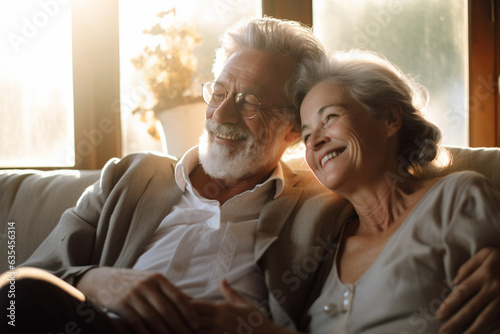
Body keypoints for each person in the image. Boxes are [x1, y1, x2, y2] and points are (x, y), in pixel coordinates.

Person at [0, 18, 498, 333]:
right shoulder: (127, 179)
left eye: (252, 101)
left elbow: (405, 195)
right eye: (219, 91)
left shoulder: (321, 199)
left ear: (288, 132)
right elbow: (23, 284)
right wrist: (99, 281)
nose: (224, 113)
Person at [191, 49, 500, 334]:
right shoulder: (325, 246)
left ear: (390, 118)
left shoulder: (456, 198)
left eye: (330, 118)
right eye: (308, 133)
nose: (315, 141)